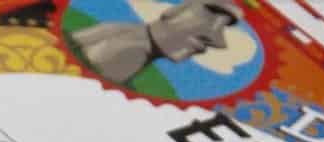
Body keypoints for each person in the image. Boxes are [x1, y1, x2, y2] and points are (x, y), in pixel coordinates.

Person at [72, 0, 244, 92]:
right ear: (176, 10)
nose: (218, 41)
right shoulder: (132, 52)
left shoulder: (117, 29)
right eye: (210, 15)